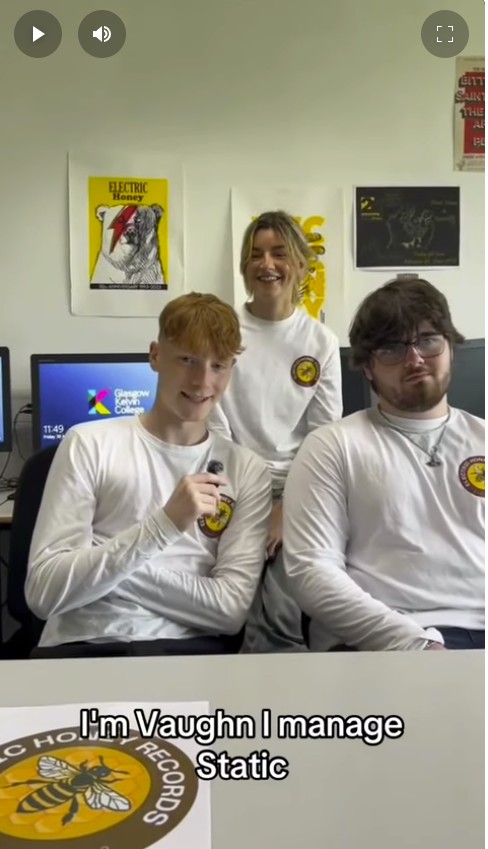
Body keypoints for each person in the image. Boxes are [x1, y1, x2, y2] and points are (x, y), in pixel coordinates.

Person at [25, 293, 273, 658]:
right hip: (81, 647)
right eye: (187, 360)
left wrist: (101, 563)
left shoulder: (246, 470)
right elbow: (44, 593)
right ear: (156, 356)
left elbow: (229, 612)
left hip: (186, 653)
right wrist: (165, 526)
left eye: (218, 366)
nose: (203, 382)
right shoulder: (88, 443)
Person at [283, 277, 485, 651]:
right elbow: (311, 569)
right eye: (392, 347)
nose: (414, 358)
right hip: (382, 643)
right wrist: (413, 643)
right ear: (367, 367)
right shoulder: (333, 446)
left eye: (428, 339)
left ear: (452, 347)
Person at [207, 211, 343, 652]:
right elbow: (211, 415)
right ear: (244, 267)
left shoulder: (320, 340)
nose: (267, 264)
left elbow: (323, 436)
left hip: (297, 487)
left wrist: (285, 507)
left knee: (284, 611)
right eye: (255, 255)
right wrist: (249, 500)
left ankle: (286, 700)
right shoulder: (223, 330)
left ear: (301, 263)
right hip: (231, 479)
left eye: (279, 253)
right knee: (231, 606)